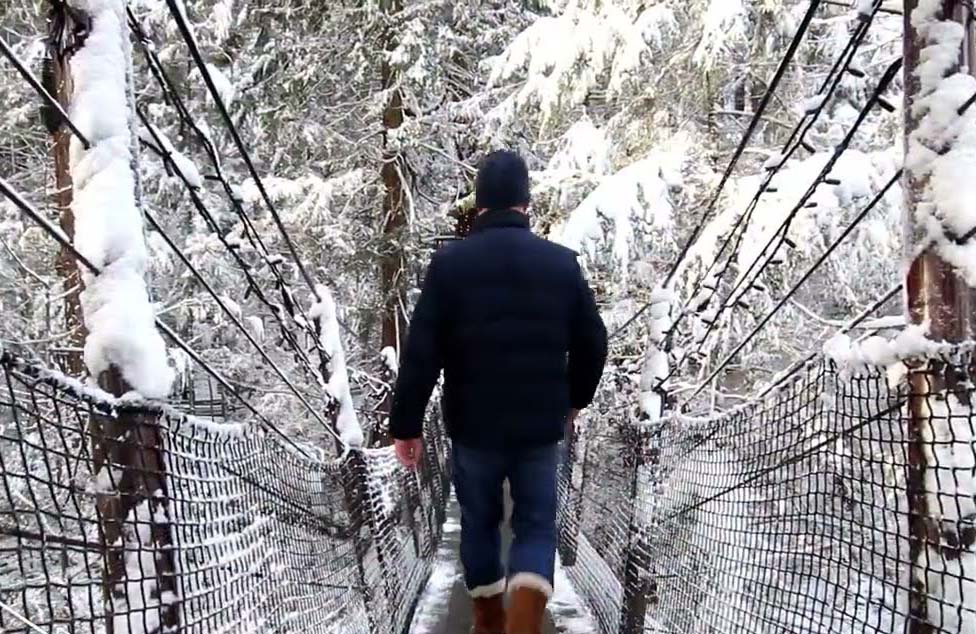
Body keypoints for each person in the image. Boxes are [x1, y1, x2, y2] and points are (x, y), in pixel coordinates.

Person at [389, 150, 608, 634]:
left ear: (480, 205)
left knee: (479, 521)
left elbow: (421, 352)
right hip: (538, 424)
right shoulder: (561, 265)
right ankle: (526, 615)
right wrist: (574, 399)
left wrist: (406, 425)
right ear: (526, 204)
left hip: (473, 426)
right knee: (535, 522)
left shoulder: (448, 266)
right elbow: (594, 343)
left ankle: (488, 617)